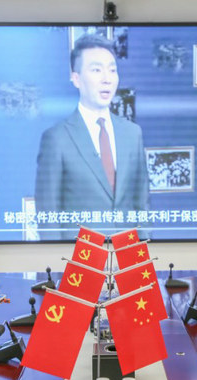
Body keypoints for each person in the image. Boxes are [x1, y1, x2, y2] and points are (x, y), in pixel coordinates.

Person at [35, 34, 149, 238]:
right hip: (81, 255)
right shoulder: (56, 138)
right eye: (96, 70)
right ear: (76, 79)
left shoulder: (133, 134)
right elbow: (48, 216)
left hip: (130, 252)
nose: (107, 79)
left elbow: (142, 204)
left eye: (112, 70)